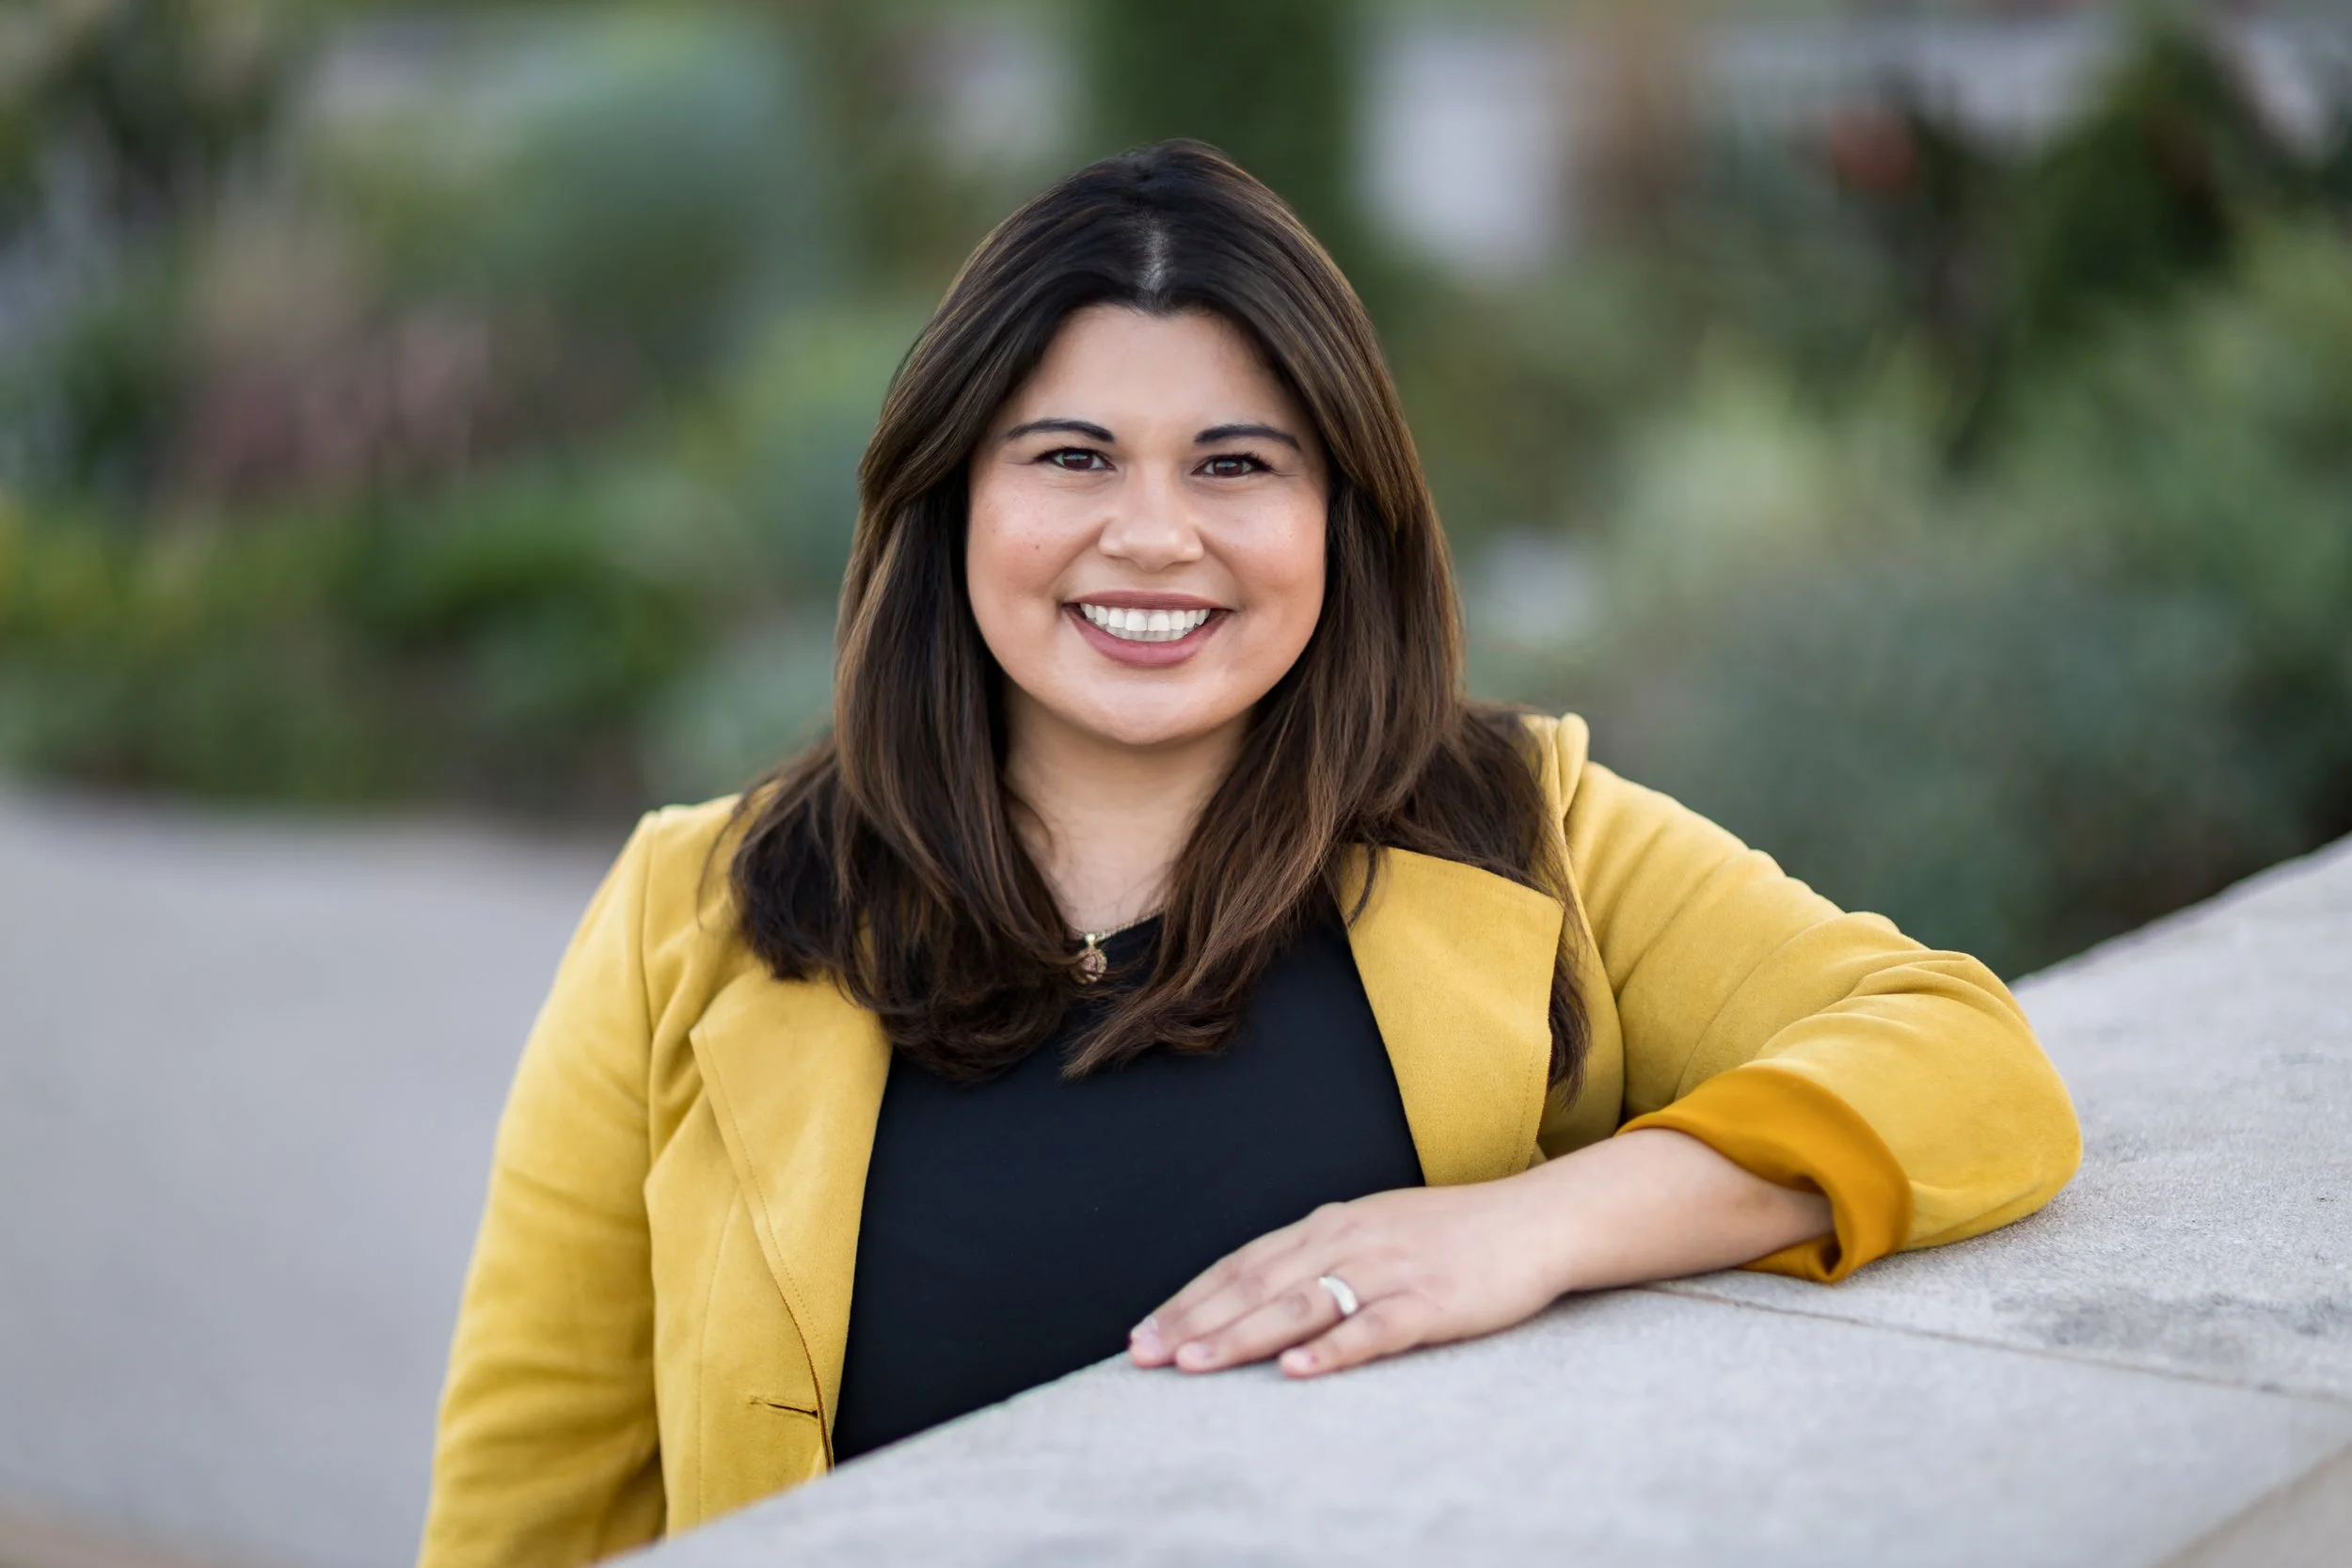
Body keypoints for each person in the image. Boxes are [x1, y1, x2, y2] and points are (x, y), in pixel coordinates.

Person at [417, 141, 2078, 1565]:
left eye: (1236, 464)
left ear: (1339, 517)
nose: (1155, 533)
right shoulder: (693, 913)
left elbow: (1969, 1064)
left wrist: (1535, 1225)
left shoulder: (1524, 830)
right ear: (952, 498)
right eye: (1073, 457)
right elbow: (530, 1509)